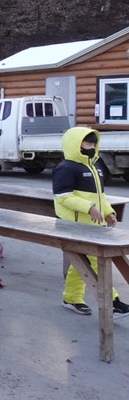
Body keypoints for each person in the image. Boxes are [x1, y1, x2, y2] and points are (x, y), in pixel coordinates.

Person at [53, 128, 129, 318]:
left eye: (94, 144)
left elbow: (100, 196)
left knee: (81, 263)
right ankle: (112, 302)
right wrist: (88, 208)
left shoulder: (94, 167)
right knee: (97, 261)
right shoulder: (65, 168)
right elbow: (62, 197)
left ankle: (71, 298)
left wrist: (109, 212)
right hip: (75, 225)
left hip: (93, 226)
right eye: (88, 143)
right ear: (76, 144)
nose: (91, 147)